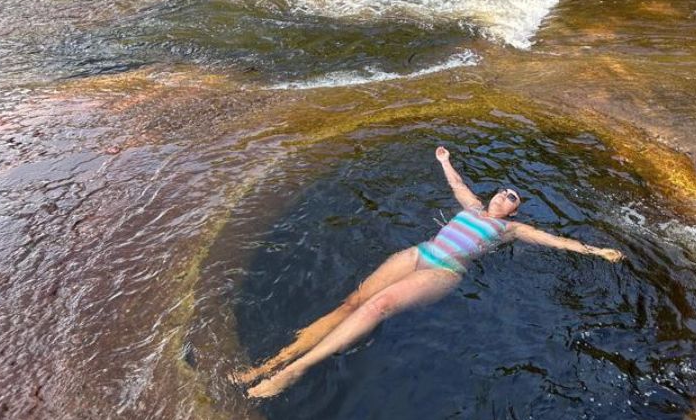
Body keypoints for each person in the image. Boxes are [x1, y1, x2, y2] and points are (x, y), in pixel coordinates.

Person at [234, 145, 624, 399]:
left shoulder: (511, 229)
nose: (505, 195)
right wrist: (444, 161)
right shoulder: (472, 207)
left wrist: (597, 251)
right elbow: (456, 184)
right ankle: (267, 365)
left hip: (444, 270)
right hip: (421, 253)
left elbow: (555, 240)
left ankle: (295, 371)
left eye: (513, 197)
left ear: (515, 211)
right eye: (503, 190)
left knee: (378, 306)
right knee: (353, 301)